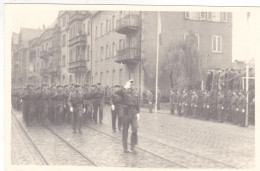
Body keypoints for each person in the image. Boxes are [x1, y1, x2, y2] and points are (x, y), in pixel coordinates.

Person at [115, 79, 140, 153]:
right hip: (126, 113)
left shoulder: (135, 93)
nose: (131, 86)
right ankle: (125, 147)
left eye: (132, 85)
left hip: (133, 113)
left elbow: (137, 103)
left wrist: (138, 113)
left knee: (135, 128)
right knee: (125, 130)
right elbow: (116, 92)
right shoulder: (123, 91)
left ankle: (133, 146)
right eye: (130, 84)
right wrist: (124, 87)